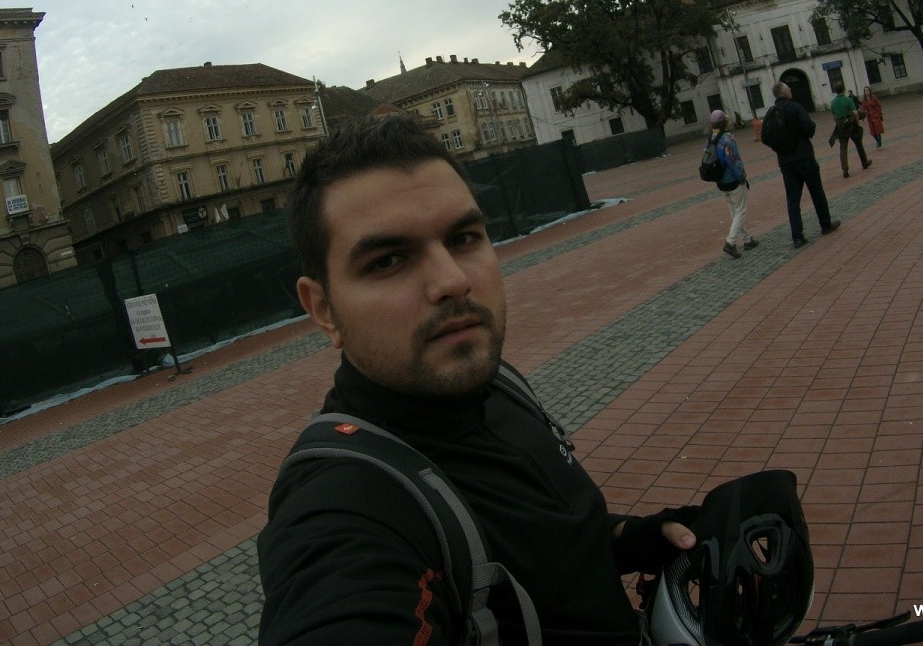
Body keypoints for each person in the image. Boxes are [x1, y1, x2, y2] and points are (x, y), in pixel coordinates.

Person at [257, 113, 698, 644]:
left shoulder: (500, 384)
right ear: (324, 309)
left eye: (464, 238)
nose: (452, 280)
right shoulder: (344, 505)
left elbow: (542, 542)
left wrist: (633, 538)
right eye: (387, 261)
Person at [768, 82, 840, 247]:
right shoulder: (795, 107)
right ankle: (825, 224)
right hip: (804, 157)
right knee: (817, 192)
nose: (791, 91)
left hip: (785, 162)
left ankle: (797, 236)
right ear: (784, 92)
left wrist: (779, 146)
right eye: (789, 89)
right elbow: (809, 128)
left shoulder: (771, 113)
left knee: (793, 200)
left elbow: (765, 136)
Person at [708, 109, 758, 259]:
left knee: (734, 212)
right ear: (725, 122)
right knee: (740, 211)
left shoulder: (711, 139)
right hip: (732, 181)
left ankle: (747, 240)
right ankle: (730, 242)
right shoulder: (727, 138)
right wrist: (741, 177)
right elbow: (733, 160)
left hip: (720, 182)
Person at [829, 82, 871, 178]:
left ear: (835, 91)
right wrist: (858, 122)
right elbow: (855, 113)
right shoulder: (848, 100)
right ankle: (864, 162)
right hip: (851, 125)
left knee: (843, 148)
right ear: (843, 89)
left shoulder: (833, 102)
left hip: (840, 126)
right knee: (858, 143)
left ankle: (845, 169)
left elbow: (834, 114)